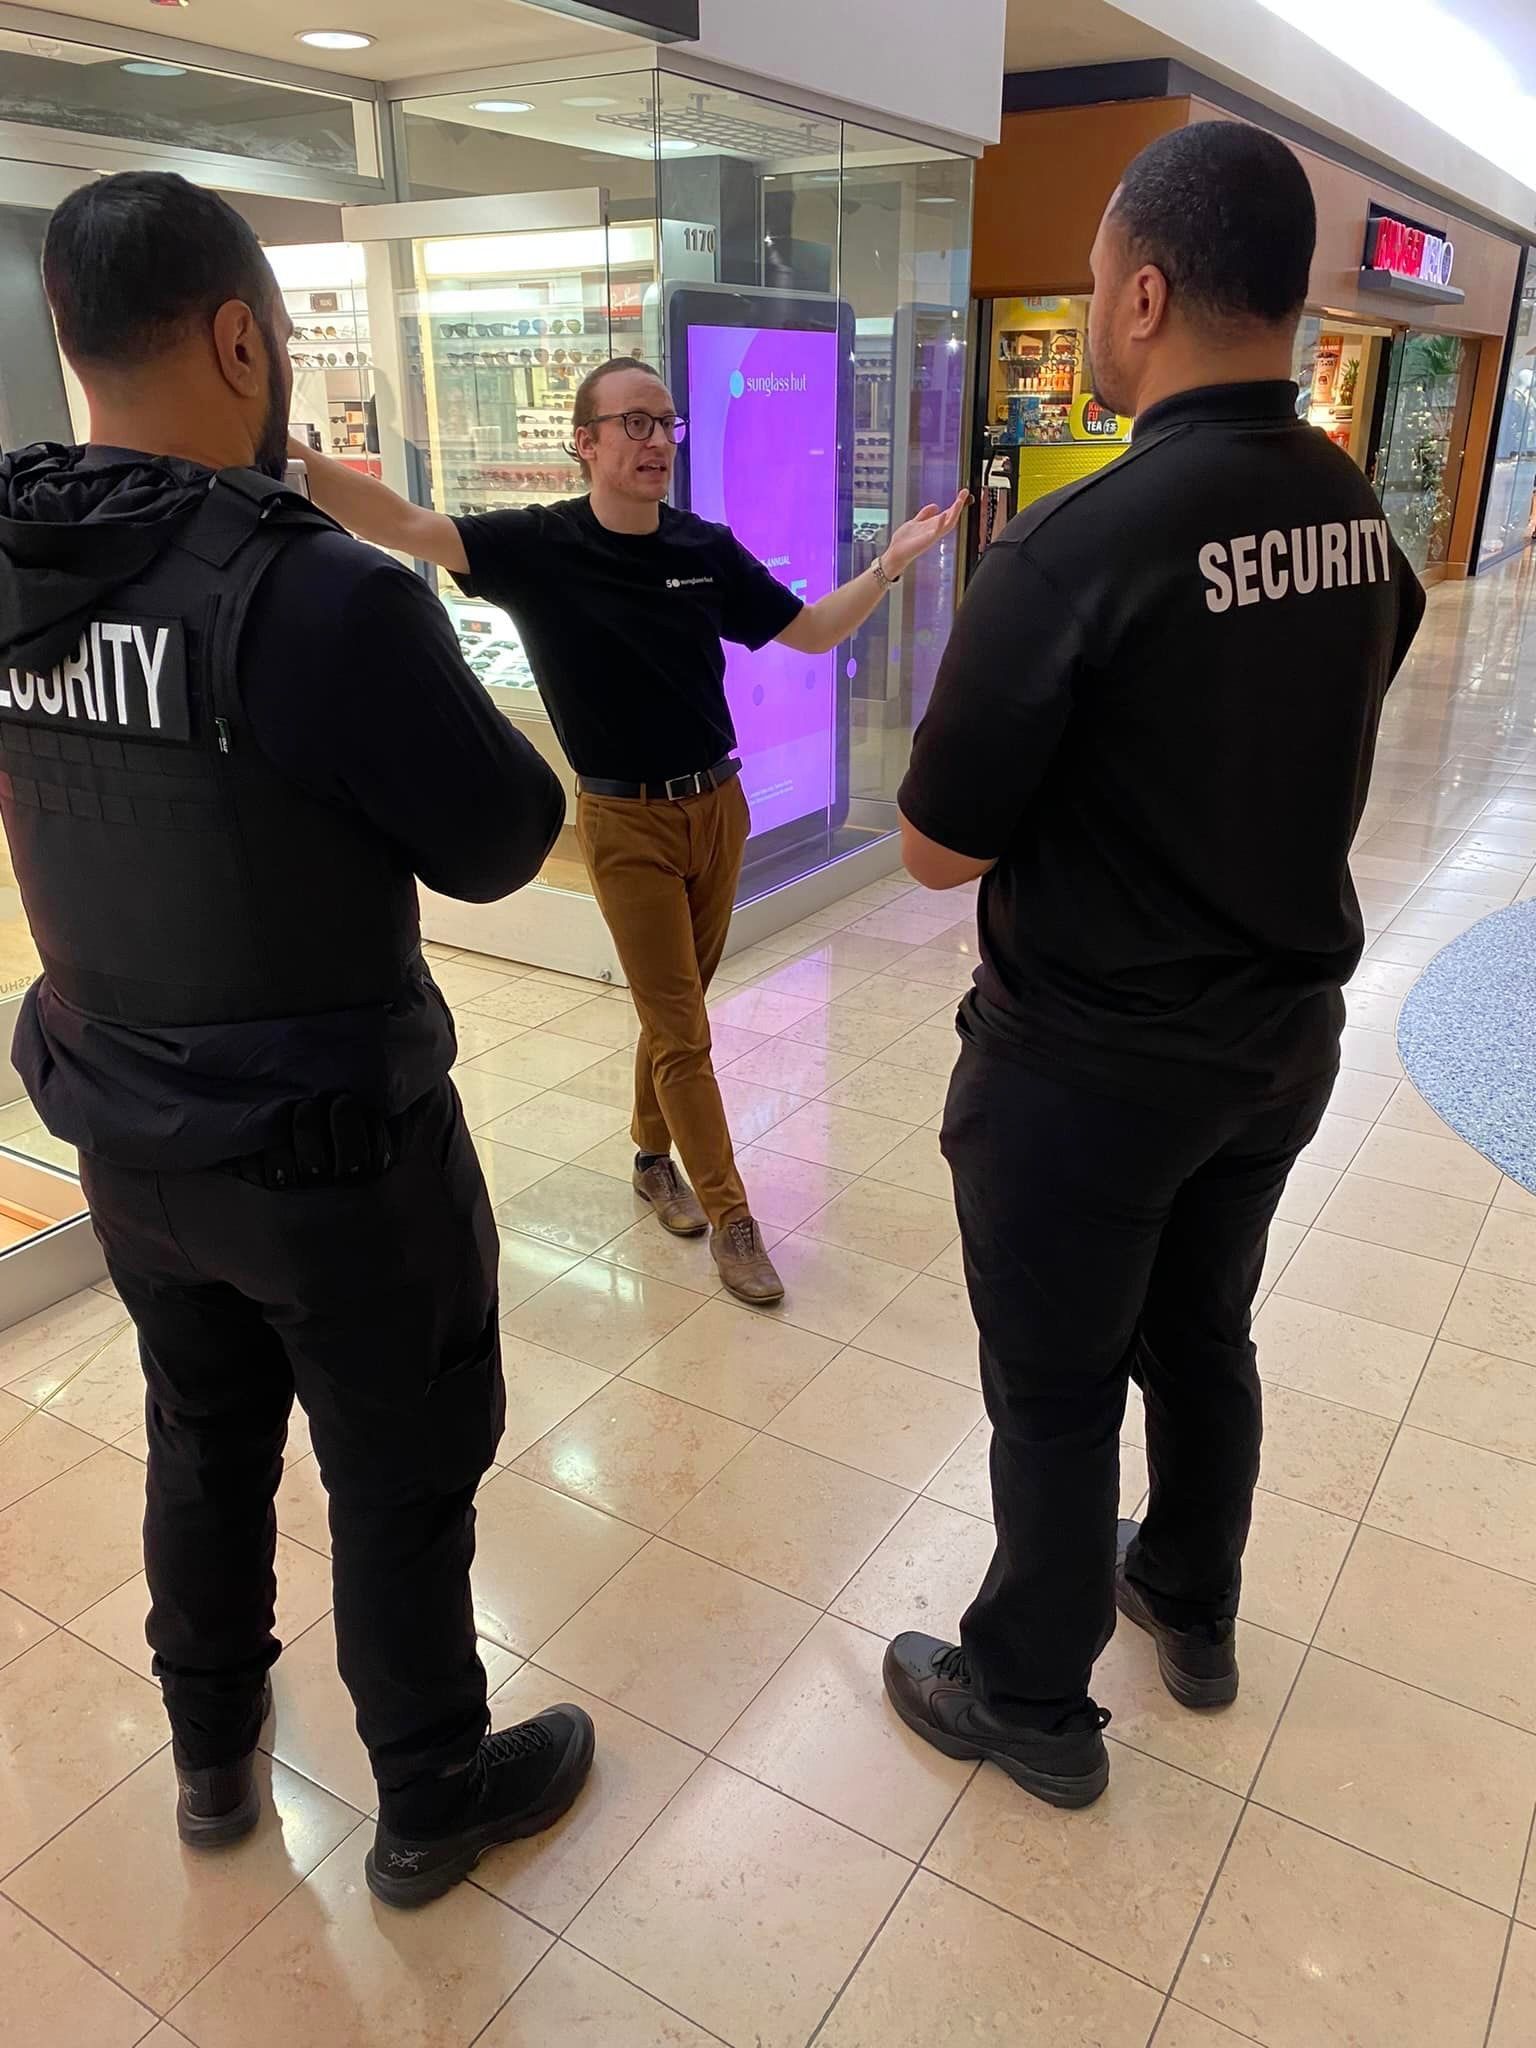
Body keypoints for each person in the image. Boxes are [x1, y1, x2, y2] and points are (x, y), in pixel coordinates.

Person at [0, 170, 595, 1907]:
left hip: (127, 1141)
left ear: (70, 341)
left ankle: (211, 1759)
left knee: (201, 1435)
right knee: (400, 1475)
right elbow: (504, 834)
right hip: (336, 1166)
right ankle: (427, 1798)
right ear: (243, 341)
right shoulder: (317, 594)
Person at [881, 122, 1426, 1807]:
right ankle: (1189, 1597)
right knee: (1202, 1333)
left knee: (1053, 1396)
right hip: (1277, 1043)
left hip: (1089, 1071)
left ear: (1143, 292)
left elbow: (936, 845)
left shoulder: (1076, 543)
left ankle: (1029, 1698)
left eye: (1095, 278)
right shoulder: (1356, 514)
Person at [296, 363, 965, 1306]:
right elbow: (404, 524)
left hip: (719, 808)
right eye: (635, 424)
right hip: (625, 823)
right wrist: (284, 449)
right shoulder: (538, 544)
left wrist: (888, 565)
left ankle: (652, 1157)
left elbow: (812, 631)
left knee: (675, 1005)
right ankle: (733, 1217)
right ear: (587, 442)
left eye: (667, 424)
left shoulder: (702, 547)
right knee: (684, 1026)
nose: (656, 442)